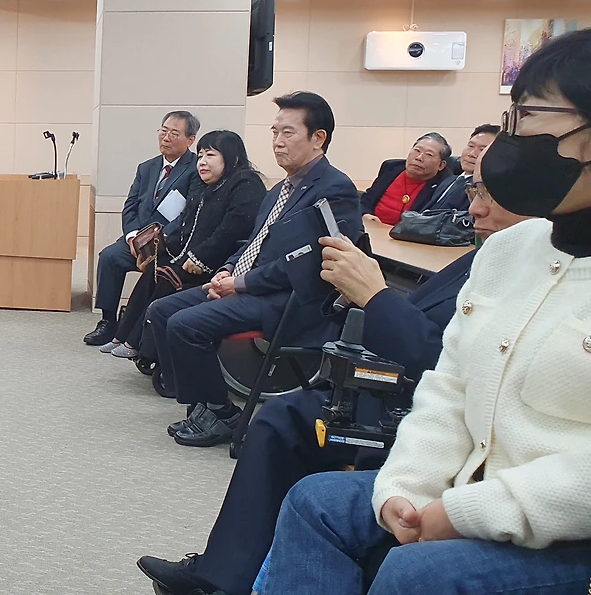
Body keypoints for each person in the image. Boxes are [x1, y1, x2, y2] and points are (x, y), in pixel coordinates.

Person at [256, 28, 591, 595]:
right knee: (316, 502)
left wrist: (463, 513)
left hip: (566, 527)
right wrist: (407, 486)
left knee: (418, 574)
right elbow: (450, 388)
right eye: (510, 118)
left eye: (529, 116)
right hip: (468, 484)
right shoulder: (510, 249)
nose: (511, 140)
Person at [135, 162, 529, 595]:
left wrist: (374, 297)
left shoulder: (334, 189)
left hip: (424, 409)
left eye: (488, 196)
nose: (474, 210)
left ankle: (217, 423)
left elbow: (448, 364)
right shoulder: (489, 254)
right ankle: (224, 573)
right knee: (278, 416)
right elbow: (250, 242)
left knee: (292, 442)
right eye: (474, 193)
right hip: (389, 381)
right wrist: (234, 273)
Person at [146, 91, 361, 448]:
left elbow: (305, 265)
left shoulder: (335, 189)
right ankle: (204, 405)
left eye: (288, 132)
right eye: (274, 132)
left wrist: (240, 284)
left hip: (289, 299)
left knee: (186, 324)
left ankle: (221, 413)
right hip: (253, 286)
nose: (277, 141)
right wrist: (228, 269)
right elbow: (254, 242)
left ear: (318, 138)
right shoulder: (279, 189)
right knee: (161, 310)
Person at [98, 131, 265, 360]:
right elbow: (186, 226)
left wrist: (199, 258)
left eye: (210, 155)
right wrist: (157, 250)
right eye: (200, 155)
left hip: (222, 264)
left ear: (232, 158)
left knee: (167, 276)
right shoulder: (209, 187)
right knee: (155, 268)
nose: (202, 161)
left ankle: (137, 343)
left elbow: (231, 231)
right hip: (192, 257)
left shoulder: (246, 183)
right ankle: (122, 335)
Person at [85, 112, 200, 346]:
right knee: (109, 257)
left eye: (174, 133)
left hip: (170, 245)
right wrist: (132, 237)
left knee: (156, 272)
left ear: (190, 139)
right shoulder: (147, 167)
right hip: (137, 241)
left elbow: (189, 214)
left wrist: (159, 240)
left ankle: (137, 327)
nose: (166, 137)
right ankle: (108, 321)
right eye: (163, 131)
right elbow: (130, 206)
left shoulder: (195, 169)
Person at [360, 133, 453, 226]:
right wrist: (365, 214)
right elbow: (367, 198)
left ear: (441, 165)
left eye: (429, 154)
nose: (419, 158)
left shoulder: (445, 185)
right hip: (373, 228)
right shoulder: (391, 167)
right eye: (417, 150)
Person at [425, 123, 499, 212]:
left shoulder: (485, 190)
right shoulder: (448, 180)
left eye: (482, 149)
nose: (471, 154)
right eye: (470, 146)